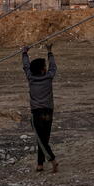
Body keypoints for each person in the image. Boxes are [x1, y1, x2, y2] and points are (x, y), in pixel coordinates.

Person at [22, 44, 59, 173]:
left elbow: (25, 65)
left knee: (41, 140)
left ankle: (53, 160)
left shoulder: (31, 78)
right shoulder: (48, 76)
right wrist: (49, 52)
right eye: (44, 66)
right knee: (44, 139)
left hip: (37, 113)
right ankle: (40, 165)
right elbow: (53, 66)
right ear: (43, 70)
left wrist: (24, 53)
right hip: (49, 112)